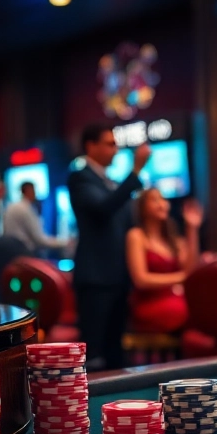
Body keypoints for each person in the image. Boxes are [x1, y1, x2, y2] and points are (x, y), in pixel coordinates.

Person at [67, 123, 151, 370]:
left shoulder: (109, 181)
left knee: (116, 350)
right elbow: (103, 209)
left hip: (118, 275)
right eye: (110, 144)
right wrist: (135, 171)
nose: (116, 150)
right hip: (96, 278)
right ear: (90, 146)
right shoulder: (80, 177)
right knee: (95, 354)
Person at [126, 188, 203, 334]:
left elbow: (191, 269)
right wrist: (180, 278)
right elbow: (140, 280)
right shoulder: (136, 235)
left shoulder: (173, 239)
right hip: (151, 302)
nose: (162, 204)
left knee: (206, 308)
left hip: (175, 298)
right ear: (142, 208)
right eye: (155, 200)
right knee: (189, 312)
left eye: (163, 199)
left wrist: (192, 228)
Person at [3, 182, 67, 255]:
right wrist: (64, 243)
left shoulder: (13, 206)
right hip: (25, 254)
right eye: (33, 190)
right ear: (27, 190)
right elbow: (39, 240)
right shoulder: (24, 209)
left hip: (13, 253)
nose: (35, 194)